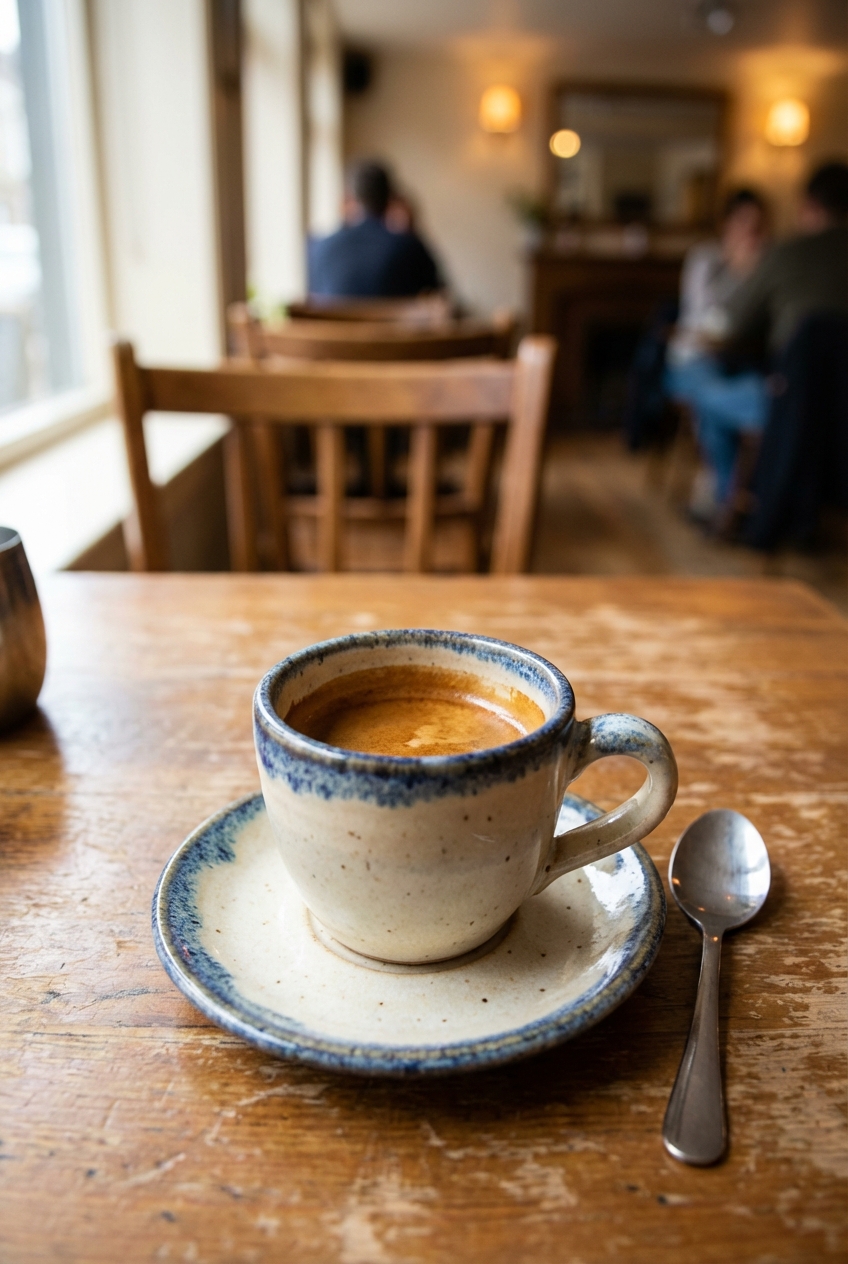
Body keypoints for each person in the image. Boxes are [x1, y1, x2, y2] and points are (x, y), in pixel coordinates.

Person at [665, 189, 770, 513]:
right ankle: (733, 495)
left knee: (716, 400)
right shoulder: (706, 258)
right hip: (692, 361)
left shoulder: (767, 262)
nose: (750, 233)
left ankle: (722, 493)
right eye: (744, 223)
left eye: (758, 226)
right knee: (716, 393)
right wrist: (740, 272)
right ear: (727, 222)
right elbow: (708, 318)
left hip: (737, 359)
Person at [307, 160, 442, 299]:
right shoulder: (410, 247)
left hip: (330, 322)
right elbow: (440, 296)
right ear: (390, 198)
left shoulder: (318, 247)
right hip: (393, 321)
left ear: (350, 197)